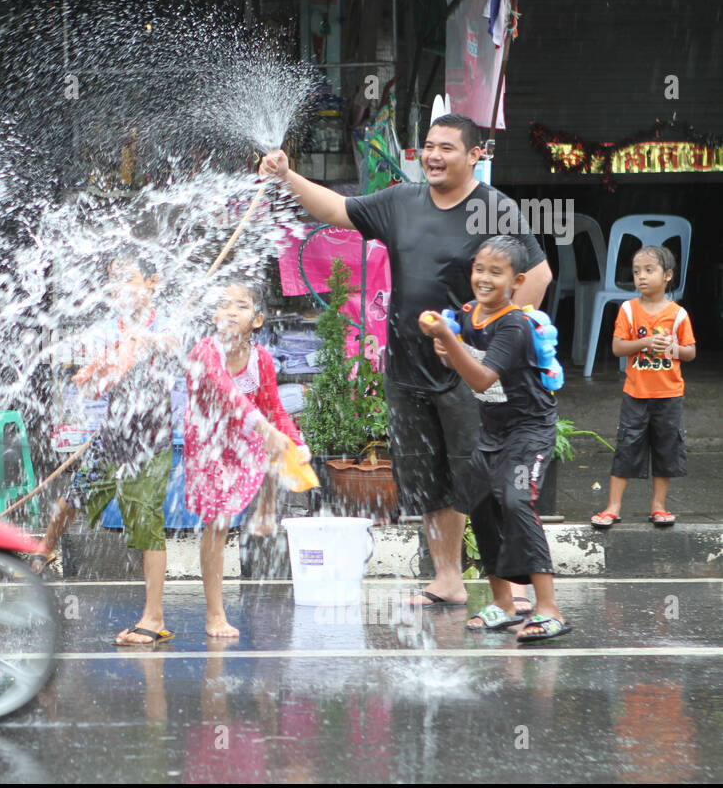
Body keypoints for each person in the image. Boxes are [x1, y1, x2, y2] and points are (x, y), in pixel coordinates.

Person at [260, 113, 552, 611]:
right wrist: (287, 176)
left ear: (475, 155)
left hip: (466, 371)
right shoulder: (402, 200)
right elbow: (336, 209)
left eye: (448, 148)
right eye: (429, 146)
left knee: (481, 481)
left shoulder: (493, 209)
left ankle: (516, 591)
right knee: (427, 479)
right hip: (406, 367)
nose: (434, 156)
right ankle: (447, 579)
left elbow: (538, 277)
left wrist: (493, 339)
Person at [417, 236, 570, 640]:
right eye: (478, 269)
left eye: (495, 272)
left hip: (529, 431)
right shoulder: (470, 314)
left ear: (516, 281)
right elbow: (459, 356)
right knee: (481, 505)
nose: (483, 278)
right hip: (493, 431)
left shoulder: (513, 325)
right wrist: (441, 338)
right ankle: (503, 604)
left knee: (517, 501)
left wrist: (448, 342)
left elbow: (482, 378)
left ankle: (549, 609)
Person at [30, 253, 179, 646]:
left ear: (152, 282)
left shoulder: (164, 323)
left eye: (127, 278)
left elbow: (176, 349)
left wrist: (142, 340)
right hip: (111, 435)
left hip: (151, 440)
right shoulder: (104, 330)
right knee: (74, 496)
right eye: (113, 281)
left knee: (148, 522)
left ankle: (153, 617)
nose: (119, 288)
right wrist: (100, 368)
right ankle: (44, 549)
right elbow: (91, 385)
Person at [185, 277, 309, 640]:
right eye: (224, 304)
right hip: (208, 447)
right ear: (213, 314)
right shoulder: (204, 351)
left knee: (277, 443)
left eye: (241, 305)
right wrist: (268, 431)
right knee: (219, 523)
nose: (231, 311)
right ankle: (214, 614)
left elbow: (274, 410)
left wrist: (295, 441)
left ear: (257, 320)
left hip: (244, 442)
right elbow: (229, 396)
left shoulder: (262, 359)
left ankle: (265, 509)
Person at [590, 245, 695, 529]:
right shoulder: (628, 310)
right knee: (626, 447)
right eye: (637, 272)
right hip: (635, 394)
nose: (642, 277)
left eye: (650, 270)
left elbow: (690, 352)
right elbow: (617, 347)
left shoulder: (678, 314)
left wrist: (672, 347)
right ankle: (613, 506)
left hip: (669, 395)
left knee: (666, 449)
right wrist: (646, 343)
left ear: (668, 275)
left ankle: (659, 506)